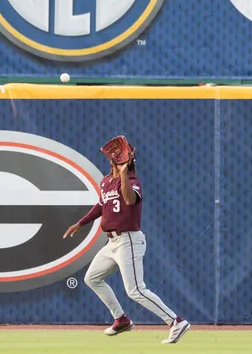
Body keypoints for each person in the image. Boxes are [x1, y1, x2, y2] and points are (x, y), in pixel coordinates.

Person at [63, 137, 191, 344]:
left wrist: (123, 174)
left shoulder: (132, 181)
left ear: (129, 161)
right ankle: (121, 319)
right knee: (92, 278)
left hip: (128, 240)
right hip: (112, 243)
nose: (115, 161)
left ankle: (176, 321)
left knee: (136, 290)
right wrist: (81, 223)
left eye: (120, 159)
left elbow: (130, 199)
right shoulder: (105, 181)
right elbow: (101, 206)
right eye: (115, 159)